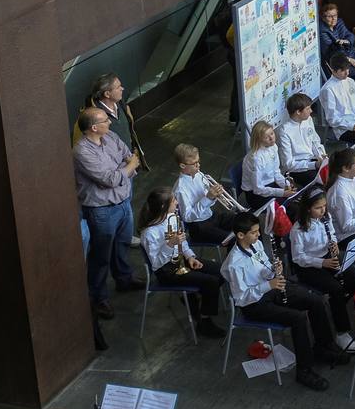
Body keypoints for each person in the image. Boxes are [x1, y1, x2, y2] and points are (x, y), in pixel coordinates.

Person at [222, 212, 346, 391]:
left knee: (315, 301)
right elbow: (242, 297)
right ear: (241, 235)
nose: (259, 236)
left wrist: (273, 269)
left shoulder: (255, 244)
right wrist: (268, 285)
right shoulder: (234, 263)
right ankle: (304, 370)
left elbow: (263, 269)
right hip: (254, 304)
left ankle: (323, 346)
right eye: (255, 232)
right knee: (298, 318)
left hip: (270, 288)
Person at [74, 107, 143, 319]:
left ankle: (124, 278)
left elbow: (130, 157)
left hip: (123, 202)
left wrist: (126, 167)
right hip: (101, 210)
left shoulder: (110, 136)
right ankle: (98, 297)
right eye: (105, 120)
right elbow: (109, 179)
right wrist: (127, 167)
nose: (110, 123)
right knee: (100, 255)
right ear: (94, 127)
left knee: (122, 244)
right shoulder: (81, 151)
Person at [136, 187, 226, 338]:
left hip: (181, 260)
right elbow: (156, 263)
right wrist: (169, 245)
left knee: (222, 271)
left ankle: (196, 297)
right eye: (174, 201)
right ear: (164, 207)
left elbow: (183, 244)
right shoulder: (149, 233)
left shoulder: (173, 218)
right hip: (166, 270)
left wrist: (191, 257)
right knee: (210, 282)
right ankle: (204, 321)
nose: (177, 203)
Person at [287, 190, 355, 345]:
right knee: (336, 289)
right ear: (308, 209)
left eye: (324, 206)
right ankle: (342, 332)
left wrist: (333, 243)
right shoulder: (298, 230)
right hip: (308, 266)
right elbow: (298, 258)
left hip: (326, 256)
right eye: (318, 208)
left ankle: (337, 306)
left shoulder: (325, 218)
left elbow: (332, 234)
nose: (323, 211)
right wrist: (322, 263)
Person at [173, 143, 237, 246]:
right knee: (233, 240)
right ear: (182, 165)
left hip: (211, 215)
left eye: (198, 161)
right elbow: (187, 217)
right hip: (198, 227)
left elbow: (210, 203)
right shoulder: (180, 189)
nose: (198, 165)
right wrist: (208, 198)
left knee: (244, 222)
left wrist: (216, 194)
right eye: (194, 163)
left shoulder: (199, 175)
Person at [319, 2, 355, 104]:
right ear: (323, 18)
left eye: (335, 15)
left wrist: (346, 41)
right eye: (330, 16)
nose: (333, 18)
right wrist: (349, 60)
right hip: (337, 62)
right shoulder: (323, 31)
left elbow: (350, 36)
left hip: (351, 55)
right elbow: (333, 53)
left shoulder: (339, 22)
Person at [276, 93, 327, 187]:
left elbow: (315, 141)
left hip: (313, 161)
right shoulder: (284, 131)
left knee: (337, 173)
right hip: (298, 169)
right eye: (308, 109)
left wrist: (322, 156)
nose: (311, 111)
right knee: (324, 183)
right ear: (298, 112)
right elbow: (288, 165)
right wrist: (314, 165)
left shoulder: (308, 120)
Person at [241, 120, 295, 207]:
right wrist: (282, 193)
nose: (271, 138)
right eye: (266, 137)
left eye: (272, 133)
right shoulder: (255, 158)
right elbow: (258, 189)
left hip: (269, 184)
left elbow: (276, 172)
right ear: (259, 140)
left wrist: (286, 186)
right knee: (287, 206)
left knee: (294, 197)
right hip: (255, 195)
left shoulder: (273, 147)